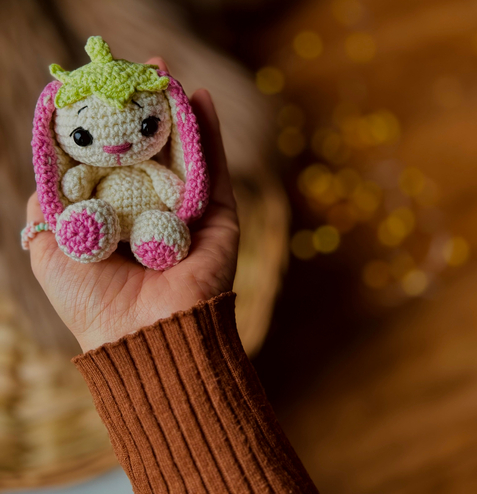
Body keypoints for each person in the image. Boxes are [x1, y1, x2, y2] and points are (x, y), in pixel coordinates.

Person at [25, 58, 319, 494]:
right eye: (83, 137)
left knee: (158, 228)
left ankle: (154, 239)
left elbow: (174, 187)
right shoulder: (87, 172)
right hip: (102, 214)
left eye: (146, 127)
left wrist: (182, 201)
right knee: (92, 219)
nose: (118, 146)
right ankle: (92, 231)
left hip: (151, 216)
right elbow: (71, 185)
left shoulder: (153, 169)